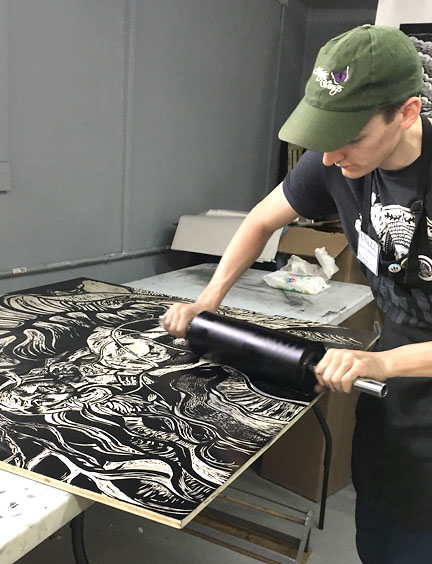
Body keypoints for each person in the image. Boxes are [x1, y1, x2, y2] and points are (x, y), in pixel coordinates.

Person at [162, 24, 432, 563]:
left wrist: (383, 364)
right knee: (378, 530)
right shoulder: (338, 158)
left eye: (350, 138)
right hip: (393, 392)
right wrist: (210, 298)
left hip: (404, 370)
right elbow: (262, 220)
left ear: (406, 113)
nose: (330, 159)